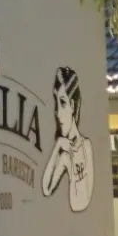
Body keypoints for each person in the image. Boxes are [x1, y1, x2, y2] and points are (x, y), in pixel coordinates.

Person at [43, 66, 94, 212]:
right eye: (57, 103)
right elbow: (46, 189)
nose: (58, 113)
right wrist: (58, 146)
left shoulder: (87, 146)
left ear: (72, 105)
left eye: (63, 103)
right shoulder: (66, 156)